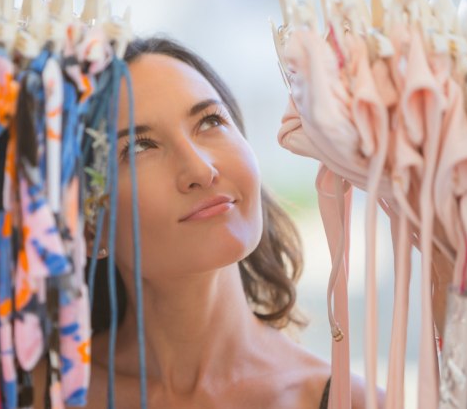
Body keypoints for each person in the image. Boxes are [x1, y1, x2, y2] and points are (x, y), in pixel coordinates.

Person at [85, 37, 372, 408]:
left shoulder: (349, 401)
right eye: (140, 147)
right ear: (91, 224)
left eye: (210, 121)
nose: (201, 170)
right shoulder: (38, 390)